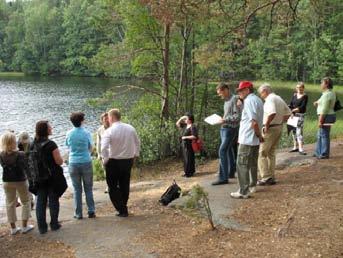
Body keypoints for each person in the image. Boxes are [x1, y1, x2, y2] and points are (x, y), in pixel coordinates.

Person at [101, 109, 140, 217]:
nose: (108, 120)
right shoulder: (130, 128)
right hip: (127, 160)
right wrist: (135, 155)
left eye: (108, 118)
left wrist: (105, 159)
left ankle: (121, 208)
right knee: (124, 184)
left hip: (113, 161)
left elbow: (103, 148)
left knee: (112, 186)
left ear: (112, 118)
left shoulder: (108, 131)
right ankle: (123, 206)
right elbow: (137, 142)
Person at [230, 81, 264, 199]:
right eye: (239, 91)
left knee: (242, 164)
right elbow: (253, 116)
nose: (239, 93)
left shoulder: (249, 101)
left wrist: (259, 135)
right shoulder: (257, 100)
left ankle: (243, 191)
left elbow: (253, 122)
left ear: (247, 90)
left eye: (241, 90)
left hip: (247, 139)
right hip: (254, 139)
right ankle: (252, 185)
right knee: (253, 163)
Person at [0, 131, 34, 235]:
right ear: (14, 142)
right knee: (26, 202)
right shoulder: (21, 154)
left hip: (7, 181)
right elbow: (26, 168)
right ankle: (24, 226)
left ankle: (13, 228)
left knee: (10, 203)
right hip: (20, 180)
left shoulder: (1, 154)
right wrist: (31, 180)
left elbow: (3, 166)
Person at [257, 83, 291, 186]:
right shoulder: (278, 98)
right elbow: (288, 113)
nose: (260, 96)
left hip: (270, 129)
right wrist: (280, 122)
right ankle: (271, 176)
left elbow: (272, 113)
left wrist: (266, 125)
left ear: (265, 91)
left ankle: (265, 177)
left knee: (262, 153)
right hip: (278, 127)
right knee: (271, 153)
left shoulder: (270, 99)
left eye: (261, 93)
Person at [34, 120, 64, 234]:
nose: (51, 128)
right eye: (49, 127)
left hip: (39, 178)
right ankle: (54, 224)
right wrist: (62, 160)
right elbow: (59, 161)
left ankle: (42, 227)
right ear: (45, 130)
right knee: (53, 200)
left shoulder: (33, 144)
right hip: (52, 177)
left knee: (40, 202)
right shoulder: (51, 145)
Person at [66, 112, 95, 219]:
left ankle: (78, 213)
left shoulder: (69, 133)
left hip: (73, 162)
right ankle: (91, 211)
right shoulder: (86, 133)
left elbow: (68, 146)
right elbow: (91, 147)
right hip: (86, 161)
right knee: (88, 188)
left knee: (77, 189)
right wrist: (87, 153)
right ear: (82, 121)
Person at [212, 82, 242, 186]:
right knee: (228, 150)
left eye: (220, 93)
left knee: (222, 151)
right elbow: (230, 115)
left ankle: (223, 177)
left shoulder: (234, 99)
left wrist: (225, 119)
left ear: (226, 90)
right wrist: (222, 119)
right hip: (224, 128)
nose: (220, 95)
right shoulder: (227, 100)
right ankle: (230, 173)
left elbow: (237, 117)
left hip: (230, 129)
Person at [313, 77, 336, 159]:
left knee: (324, 135)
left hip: (326, 116)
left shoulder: (327, 95)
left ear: (326, 84)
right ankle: (318, 152)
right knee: (320, 134)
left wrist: (320, 120)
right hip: (329, 115)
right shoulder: (328, 93)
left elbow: (325, 109)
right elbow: (321, 102)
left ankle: (324, 154)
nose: (320, 84)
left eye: (322, 83)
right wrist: (317, 102)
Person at [288, 82, 308, 155]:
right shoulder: (294, 95)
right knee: (293, 132)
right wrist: (288, 109)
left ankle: (301, 148)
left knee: (299, 132)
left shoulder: (305, 96)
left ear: (303, 88)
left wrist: (293, 110)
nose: (299, 89)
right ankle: (295, 147)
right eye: (297, 87)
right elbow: (291, 104)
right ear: (296, 88)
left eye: (300, 87)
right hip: (292, 116)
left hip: (300, 116)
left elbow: (302, 107)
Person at [176, 113, 198, 177]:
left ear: (190, 120)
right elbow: (177, 124)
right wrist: (181, 117)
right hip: (184, 145)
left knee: (189, 158)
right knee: (185, 159)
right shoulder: (185, 126)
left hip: (189, 144)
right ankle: (187, 172)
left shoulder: (193, 126)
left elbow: (194, 136)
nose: (185, 120)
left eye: (186, 119)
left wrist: (185, 137)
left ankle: (190, 172)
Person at [18, 131, 35, 209]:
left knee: (28, 184)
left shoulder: (18, 144)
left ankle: (30, 201)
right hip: (30, 166)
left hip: (24, 167)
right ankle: (34, 200)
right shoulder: (32, 142)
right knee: (33, 183)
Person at [96, 113, 110, 193]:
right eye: (105, 119)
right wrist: (99, 154)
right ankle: (108, 186)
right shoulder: (100, 130)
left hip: (114, 153)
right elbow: (98, 143)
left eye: (108, 119)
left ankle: (117, 185)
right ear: (102, 121)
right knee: (106, 171)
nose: (107, 121)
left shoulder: (113, 128)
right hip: (104, 154)